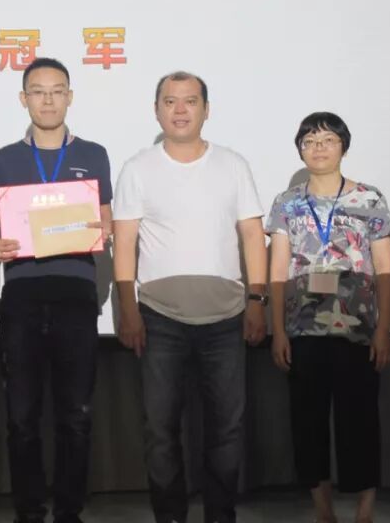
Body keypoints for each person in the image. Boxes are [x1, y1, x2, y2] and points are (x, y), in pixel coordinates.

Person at [112, 71, 267, 523]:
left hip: (226, 317)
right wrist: (128, 310)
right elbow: (125, 243)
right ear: (156, 110)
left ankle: (220, 515)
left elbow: (252, 236)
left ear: (206, 109)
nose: (180, 110)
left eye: (190, 101)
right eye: (170, 101)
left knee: (227, 429)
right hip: (160, 318)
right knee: (161, 430)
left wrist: (257, 300)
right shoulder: (138, 168)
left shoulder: (233, 165)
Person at [0, 58, 112, 523]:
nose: (48, 100)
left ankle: (70, 511)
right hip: (21, 295)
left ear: (70, 97)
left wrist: (102, 229)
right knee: (22, 417)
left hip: (76, 294)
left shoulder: (94, 154)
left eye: (57, 90)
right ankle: (29, 511)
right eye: (38, 91)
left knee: (76, 415)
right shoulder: (4, 159)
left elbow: (106, 219)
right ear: (24, 99)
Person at [266, 112, 390, 523]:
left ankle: (364, 511)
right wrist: (277, 331)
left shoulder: (370, 199)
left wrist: (384, 329)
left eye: (327, 140)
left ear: (344, 146)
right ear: (300, 149)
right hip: (302, 331)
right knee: (308, 424)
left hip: (359, 332)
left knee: (360, 422)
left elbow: (385, 270)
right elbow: (277, 271)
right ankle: (323, 511)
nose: (318, 147)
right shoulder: (286, 203)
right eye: (309, 141)